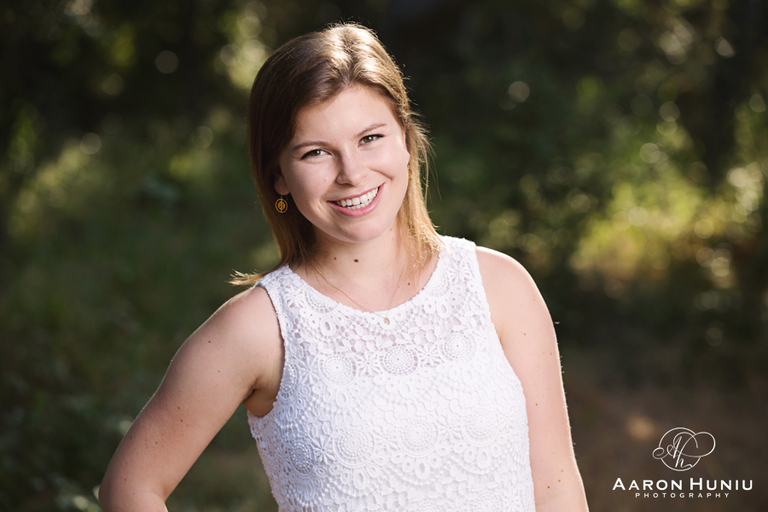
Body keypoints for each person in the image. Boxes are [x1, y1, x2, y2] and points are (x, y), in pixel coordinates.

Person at [99, 23, 589, 511]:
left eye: (370, 138)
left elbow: (557, 488)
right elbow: (130, 487)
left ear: (406, 139)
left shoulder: (500, 287)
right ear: (279, 176)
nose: (352, 173)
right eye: (316, 152)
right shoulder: (258, 329)